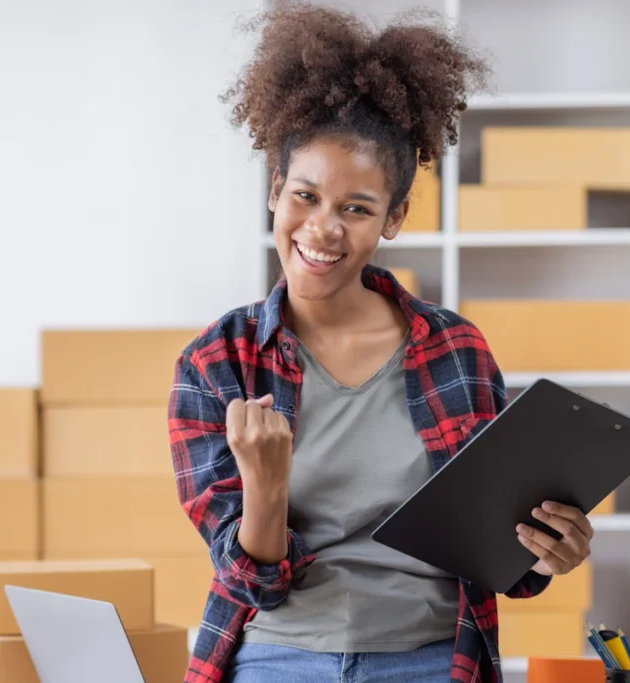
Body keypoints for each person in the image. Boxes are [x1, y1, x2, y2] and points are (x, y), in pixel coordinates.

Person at [168, 4, 594, 682]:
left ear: (393, 217)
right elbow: (251, 583)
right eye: (304, 195)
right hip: (279, 655)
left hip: (429, 658)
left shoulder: (455, 350)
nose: (323, 228)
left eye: (356, 208)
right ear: (275, 192)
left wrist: (546, 553)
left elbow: (499, 556)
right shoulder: (218, 364)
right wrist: (266, 485)